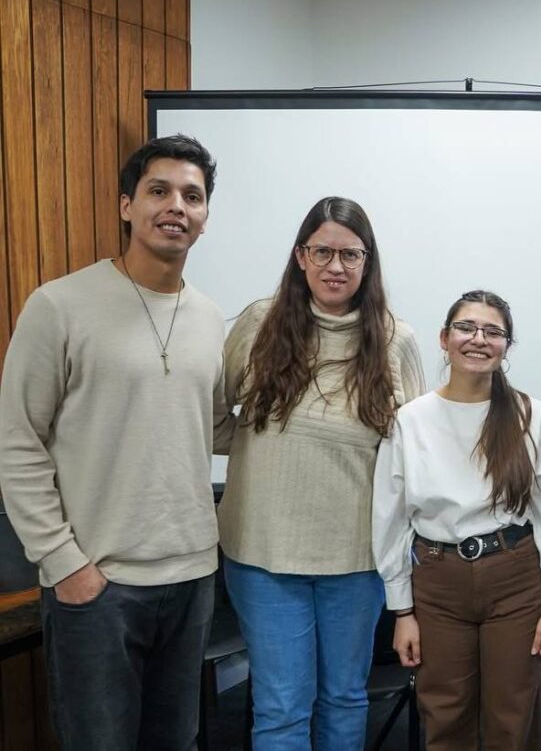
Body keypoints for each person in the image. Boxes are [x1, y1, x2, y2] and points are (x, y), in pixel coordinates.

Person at [0, 135, 228, 748]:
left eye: (192, 196)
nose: (175, 206)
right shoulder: (59, 306)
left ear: (205, 219)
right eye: (159, 191)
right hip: (97, 584)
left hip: (191, 578)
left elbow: (216, 425)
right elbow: (18, 444)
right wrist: (63, 562)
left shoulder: (209, 317)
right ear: (127, 205)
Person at [217, 197, 425, 749]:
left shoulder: (394, 339)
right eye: (323, 251)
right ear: (300, 256)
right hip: (264, 556)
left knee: (344, 698)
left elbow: (415, 451)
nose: (336, 266)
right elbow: (211, 412)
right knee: (282, 707)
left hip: (355, 561)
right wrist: (251, 451)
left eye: (350, 254)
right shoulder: (260, 322)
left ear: (367, 261)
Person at [372, 289, 541, 750]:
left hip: (516, 579)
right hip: (438, 584)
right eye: (466, 328)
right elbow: (390, 518)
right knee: (445, 718)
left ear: (506, 346)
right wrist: (401, 610)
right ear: (444, 339)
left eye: (493, 331)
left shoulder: (530, 414)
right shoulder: (410, 420)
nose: (478, 339)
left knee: (515, 718)